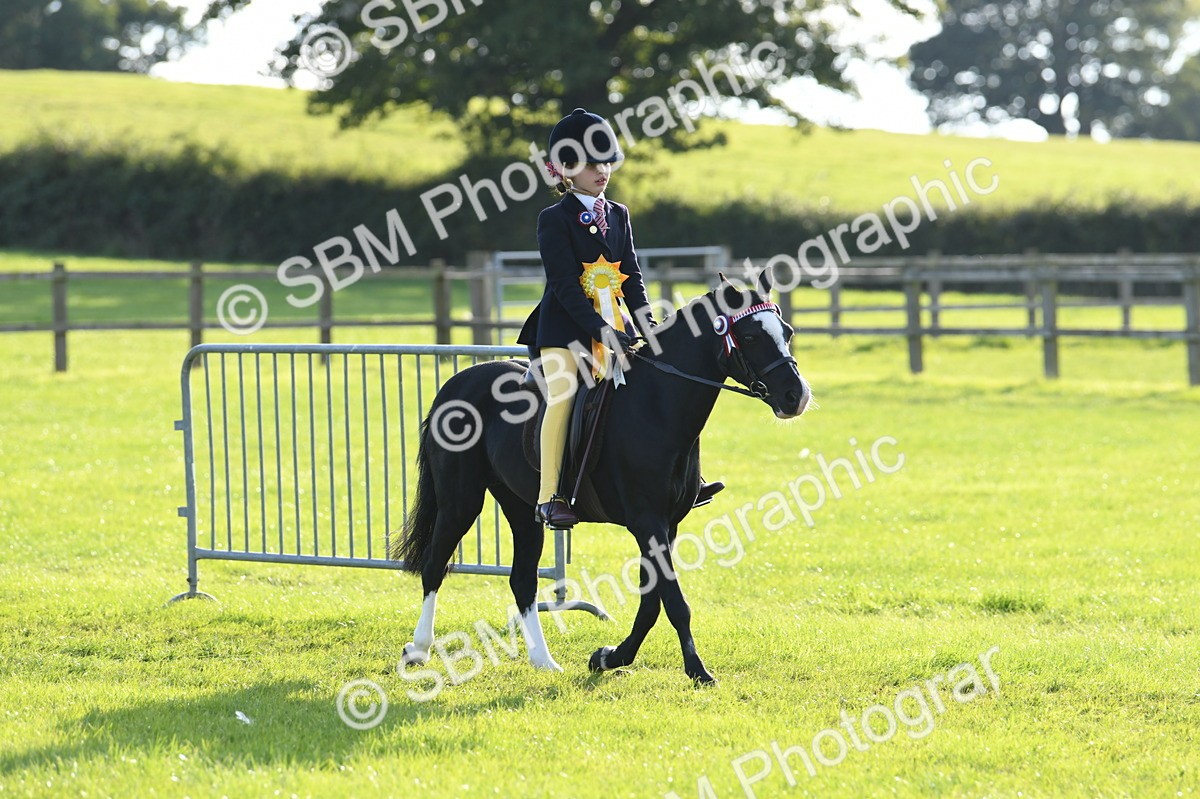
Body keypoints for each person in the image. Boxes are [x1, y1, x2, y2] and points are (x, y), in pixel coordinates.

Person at [517, 108, 724, 528]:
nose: (602, 171)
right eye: (591, 164)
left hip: (618, 329)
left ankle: (686, 478)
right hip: (564, 332)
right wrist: (600, 331)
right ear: (566, 170)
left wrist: (647, 325)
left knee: (665, 386)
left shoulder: (619, 214)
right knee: (561, 397)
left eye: (606, 161)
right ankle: (549, 495)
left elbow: (632, 276)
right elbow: (563, 285)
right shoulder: (553, 220)